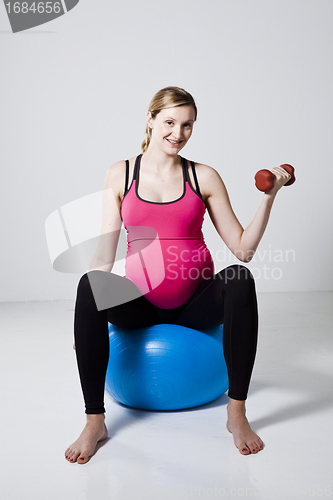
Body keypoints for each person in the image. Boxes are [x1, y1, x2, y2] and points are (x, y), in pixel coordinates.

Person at [65, 86, 291, 464]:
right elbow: (104, 255)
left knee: (239, 277)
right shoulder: (121, 174)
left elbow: (243, 249)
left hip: (193, 308)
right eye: (170, 121)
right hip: (139, 306)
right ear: (151, 120)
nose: (178, 133)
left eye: (188, 125)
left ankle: (236, 413)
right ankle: (95, 422)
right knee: (90, 284)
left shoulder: (203, 176)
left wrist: (269, 198)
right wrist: (84, 320)